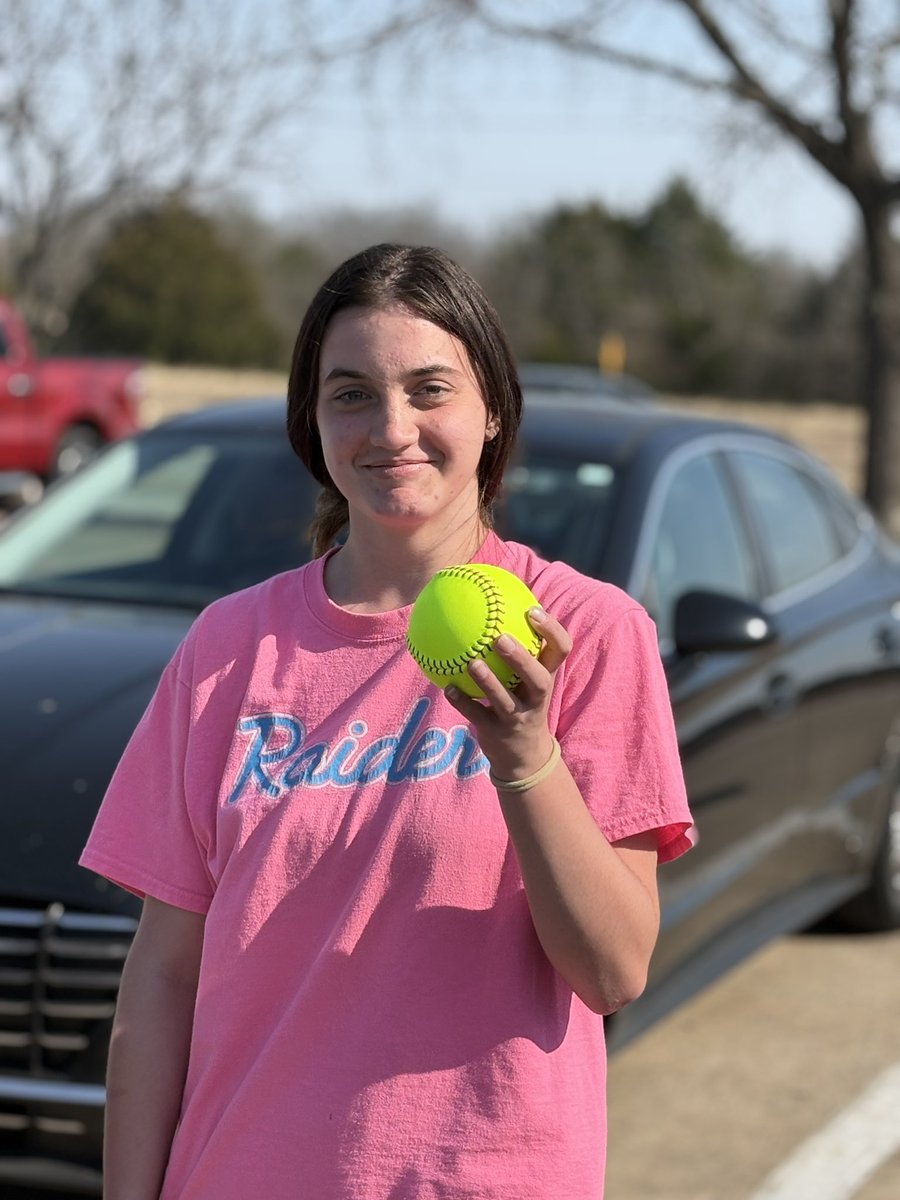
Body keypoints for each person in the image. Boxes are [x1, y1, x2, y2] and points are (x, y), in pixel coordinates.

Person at [80, 243, 693, 1200]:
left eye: (430, 389)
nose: (392, 428)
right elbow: (162, 980)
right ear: (313, 420)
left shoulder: (583, 632)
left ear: (492, 410)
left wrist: (524, 755)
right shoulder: (228, 647)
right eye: (352, 394)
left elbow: (613, 971)